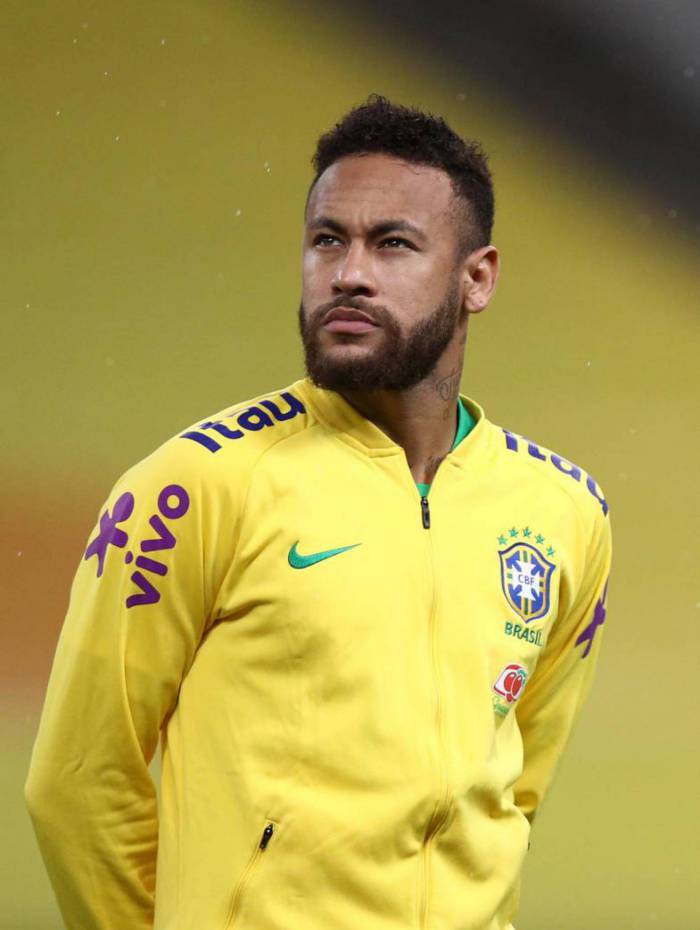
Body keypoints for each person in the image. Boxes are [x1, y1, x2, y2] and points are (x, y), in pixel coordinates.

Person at [25, 95, 612, 930]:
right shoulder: (196, 484)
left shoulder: (565, 512)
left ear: (476, 278)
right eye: (326, 239)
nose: (348, 272)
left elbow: (516, 791)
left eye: (393, 244)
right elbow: (79, 782)